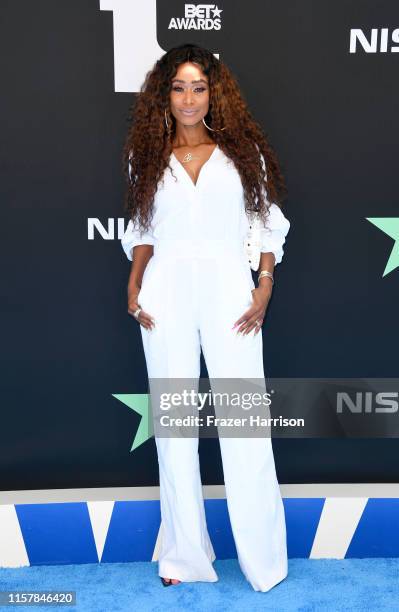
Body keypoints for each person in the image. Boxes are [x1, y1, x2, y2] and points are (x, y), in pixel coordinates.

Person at [121, 43, 291, 592]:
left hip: (229, 292)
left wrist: (264, 283)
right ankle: (184, 559)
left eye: (199, 87)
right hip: (165, 293)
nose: (189, 98)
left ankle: (264, 564)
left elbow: (266, 224)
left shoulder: (241, 153)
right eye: (178, 87)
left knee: (245, 425)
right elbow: (144, 230)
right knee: (174, 429)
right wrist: (134, 281)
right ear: (163, 96)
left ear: (214, 93)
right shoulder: (146, 156)